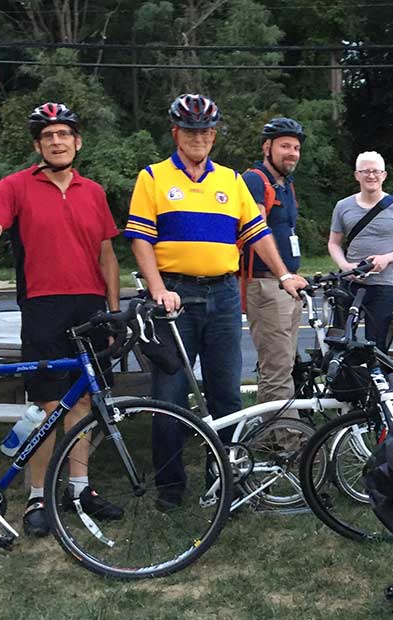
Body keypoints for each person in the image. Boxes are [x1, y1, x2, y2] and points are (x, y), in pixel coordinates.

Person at [0, 102, 123, 536]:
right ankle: (37, 495)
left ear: (77, 142)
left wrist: (113, 311)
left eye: (64, 134)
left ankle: (79, 489)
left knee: (83, 403)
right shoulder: (15, 186)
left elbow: (107, 254)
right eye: (48, 136)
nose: (57, 141)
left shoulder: (94, 191)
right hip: (44, 306)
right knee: (45, 408)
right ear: (38, 145)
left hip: (90, 306)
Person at [125, 95, 305, 509]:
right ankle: (170, 488)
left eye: (206, 131)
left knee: (227, 394)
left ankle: (224, 479)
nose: (199, 138)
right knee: (168, 396)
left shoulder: (231, 180)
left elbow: (258, 233)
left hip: (223, 296)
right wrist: (156, 289)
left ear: (214, 135)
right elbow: (140, 239)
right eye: (190, 131)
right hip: (175, 296)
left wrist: (283, 274)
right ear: (176, 133)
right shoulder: (152, 177)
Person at [327, 151, 393, 351]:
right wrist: (345, 266)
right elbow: (334, 243)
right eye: (366, 171)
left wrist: (387, 258)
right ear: (357, 175)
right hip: (350, 284)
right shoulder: (343, 206)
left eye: (376, 171)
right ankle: (343, 381)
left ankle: (377, 379)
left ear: (384, 175)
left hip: (383, 285)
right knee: (340, 341)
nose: (371, 176)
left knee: (376, 345)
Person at [242, 117, 306, 403]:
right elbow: (257, 230)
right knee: (278, 369)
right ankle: (286, 442)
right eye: (285, 146)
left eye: (296, 147)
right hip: (267, 284)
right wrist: (283, 275)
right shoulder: (255, 180)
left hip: (286, 286)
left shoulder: (286, 184)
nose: (292, 152)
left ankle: (269, 435)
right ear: (267, 147)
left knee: (282, 366)